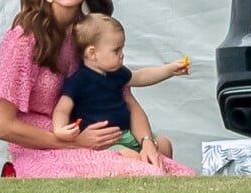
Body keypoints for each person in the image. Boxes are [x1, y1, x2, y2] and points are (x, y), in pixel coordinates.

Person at [0, 0, 195, 178]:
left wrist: (146, 142)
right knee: (148, 174)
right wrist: (76, 143)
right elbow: (2, 126)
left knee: (174, 166)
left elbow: (126, 98)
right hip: (42, 146)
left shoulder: (90, 33)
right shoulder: (23, 40)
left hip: (96, 136)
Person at [53, 13, 190, 161]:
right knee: (133, 158)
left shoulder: (117, 73)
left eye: (122, 49)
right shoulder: (78, 81)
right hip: (106, 142)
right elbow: (62, 109)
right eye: (116, 50)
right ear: (92, 53)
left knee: (164, 144)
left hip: (128, 134)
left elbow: (140, 77)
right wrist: (60, 129)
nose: (122, 55)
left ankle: (166, 175)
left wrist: (169, 70)